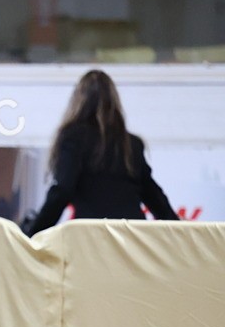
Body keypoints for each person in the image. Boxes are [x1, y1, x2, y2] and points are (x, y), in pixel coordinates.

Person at [21, 69, 179, 236]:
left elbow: (62, 191)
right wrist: (180, 230)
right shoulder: (131, 144)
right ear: (115, 102)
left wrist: (35, 230)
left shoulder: (73, 138)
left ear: (78, 101)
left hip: (91, 236)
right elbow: (154, 196)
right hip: (132, 236)